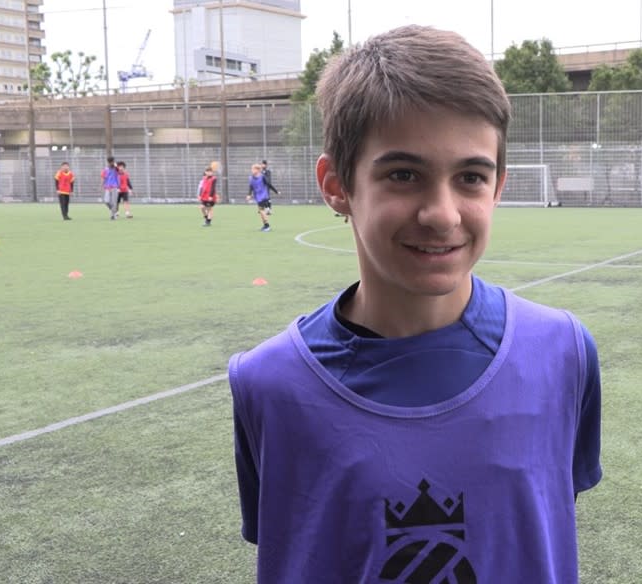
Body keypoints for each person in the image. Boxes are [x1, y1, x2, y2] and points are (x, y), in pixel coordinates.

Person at [228, 25, 602, 584]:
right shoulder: (268, 384)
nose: (443, 214)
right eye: (404, 175)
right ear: (336, 184)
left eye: (470, 177)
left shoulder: (563, 353)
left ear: (497, 186)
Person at [245, 163, 272, 232]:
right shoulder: (251, 178)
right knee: (261, 211)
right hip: (258, 197)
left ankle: (267, 226)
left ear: (257, 170)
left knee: (261, 210)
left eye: (253, 169)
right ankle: (265, 225)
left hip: (263, 196)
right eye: (252, 169)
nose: (252, 170)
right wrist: (249, 194)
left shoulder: (262, 177)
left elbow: (268, 184)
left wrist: (276, 191)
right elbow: (251, 187)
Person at [101, 156, 120, 220]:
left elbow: (118, 171)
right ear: (108, 162)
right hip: (107, 187)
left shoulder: (115, 168)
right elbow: (103, 178)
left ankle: (113, 215)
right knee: (106, 201)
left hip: (114, 187)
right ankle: (113, 210)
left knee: (114, 202)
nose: (111, 163)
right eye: (110, 162)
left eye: (112, 161)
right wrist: (101, 185)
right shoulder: (105, 169)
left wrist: (115, 165)